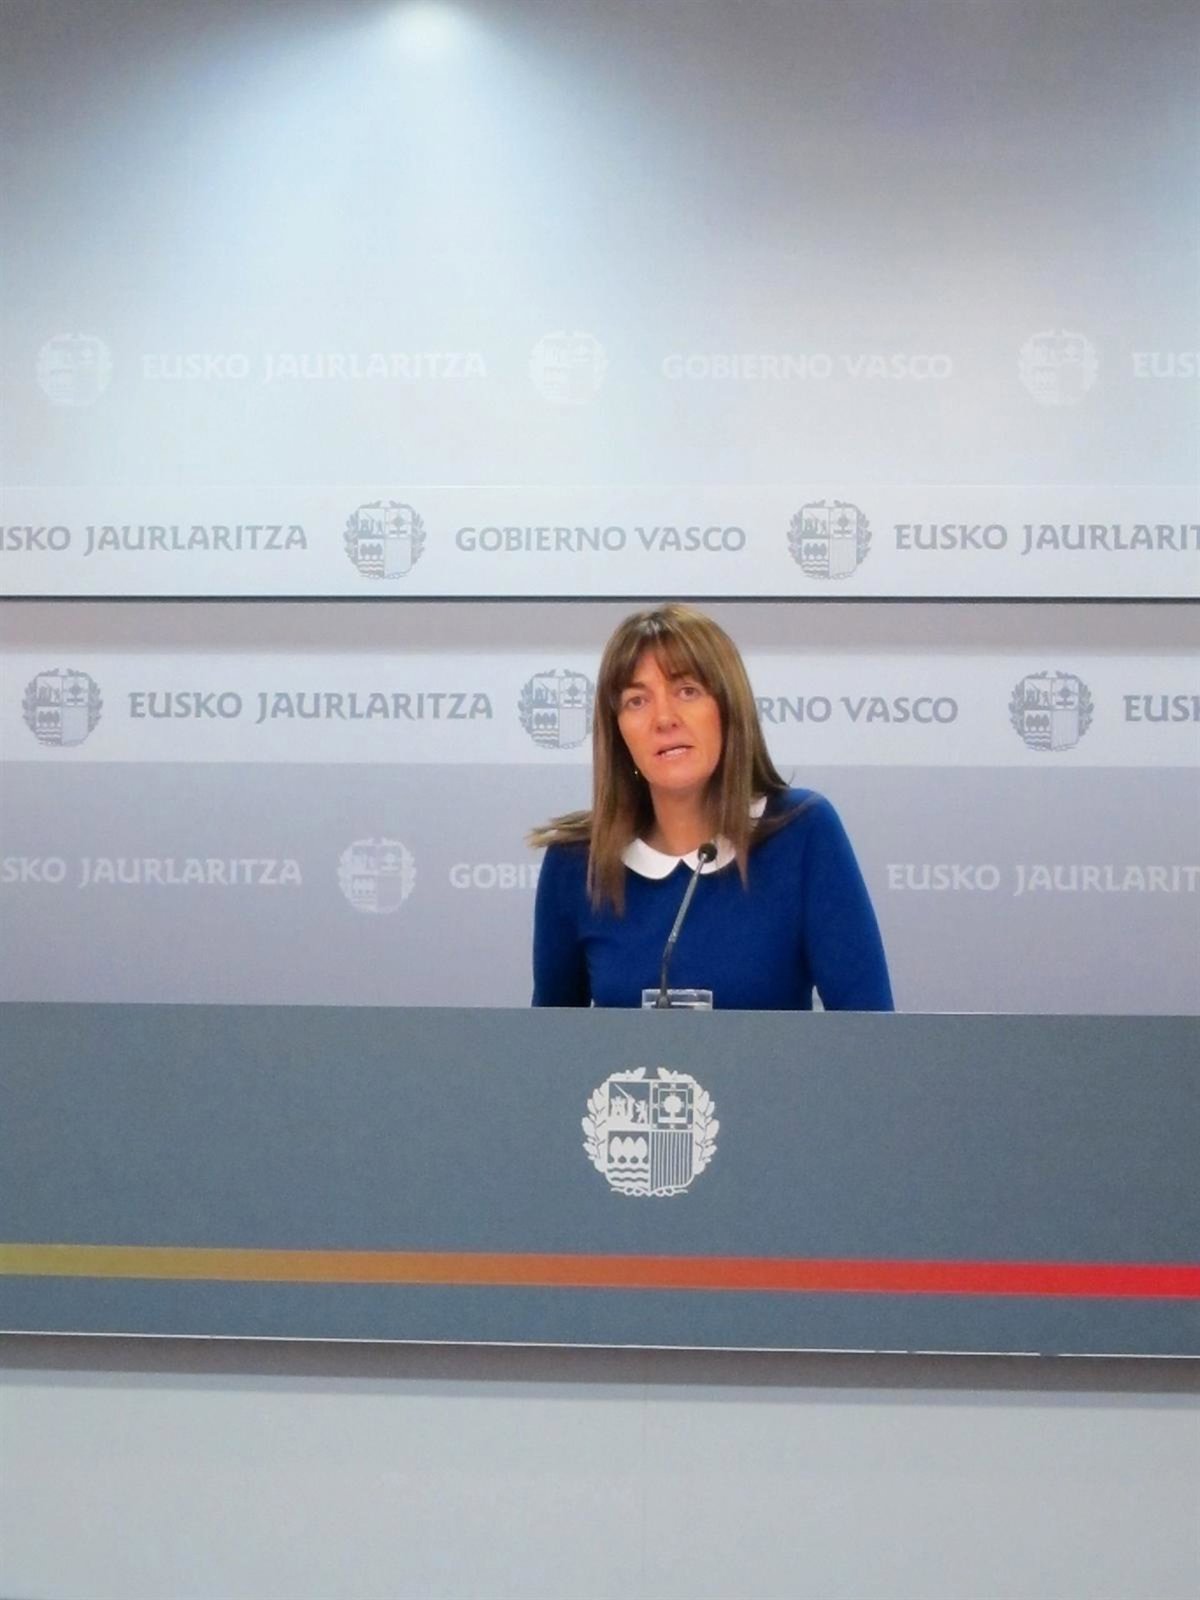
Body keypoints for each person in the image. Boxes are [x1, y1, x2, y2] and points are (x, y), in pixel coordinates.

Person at [529, 604, 894, 1010]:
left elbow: (870, 1030)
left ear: (728, 710)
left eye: (687, 691)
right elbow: (549, 1042)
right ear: (618, 732)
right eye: (637, 700)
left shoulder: (802, 831)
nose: (663, 718)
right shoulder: (577, 862)